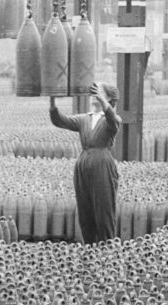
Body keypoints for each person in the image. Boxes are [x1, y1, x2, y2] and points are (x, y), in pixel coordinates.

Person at [49, 82, 121, 244]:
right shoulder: (84, 119)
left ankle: (107, 245)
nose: (95, 94)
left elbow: (113, 120)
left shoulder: (111, 118)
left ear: (109, 98)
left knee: (104, 206)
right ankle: (89, 245)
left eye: (99, 92)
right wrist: (52, 102)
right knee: (84, 207)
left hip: (102, 162)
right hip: (83, 163)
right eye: (94, 92)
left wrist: (103, 101)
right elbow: (61, 121)